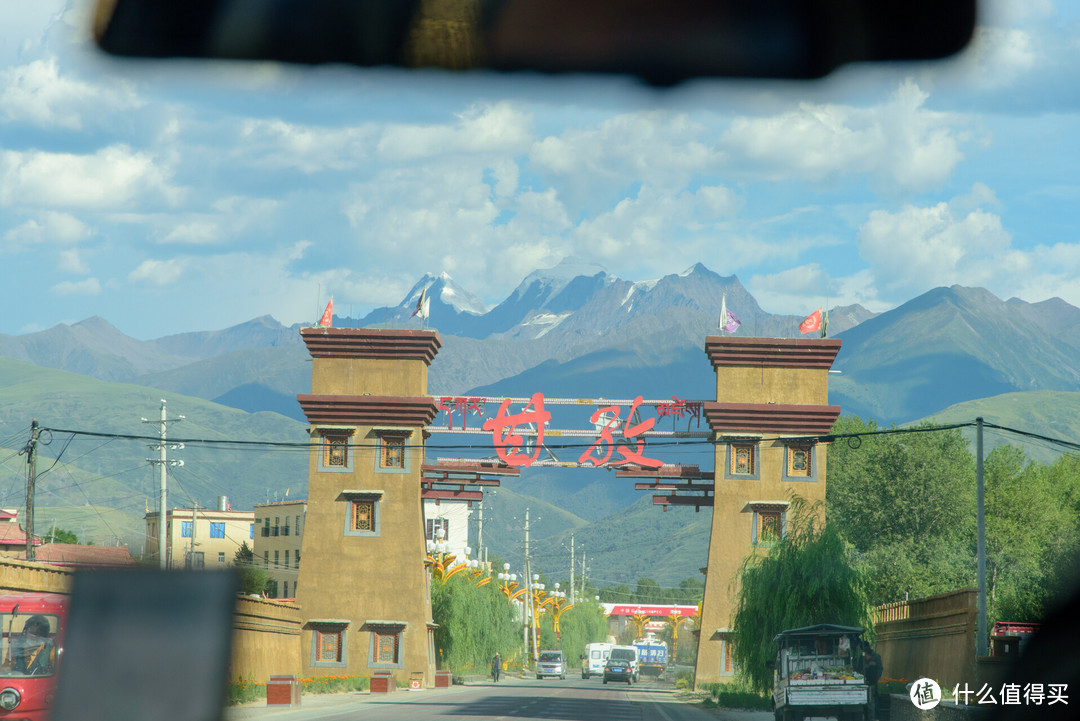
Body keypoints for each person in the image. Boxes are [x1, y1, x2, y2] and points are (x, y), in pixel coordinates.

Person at [862, 646, 883, 720]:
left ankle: (873, 718)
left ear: (868, 654)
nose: (865, 657)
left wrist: (872, 680)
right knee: (872, 702)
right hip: (871, 683)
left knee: (872, 703)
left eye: (866, 655)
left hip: (872, 684)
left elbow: (876, 672)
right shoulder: (870, 660)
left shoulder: (873, 661)